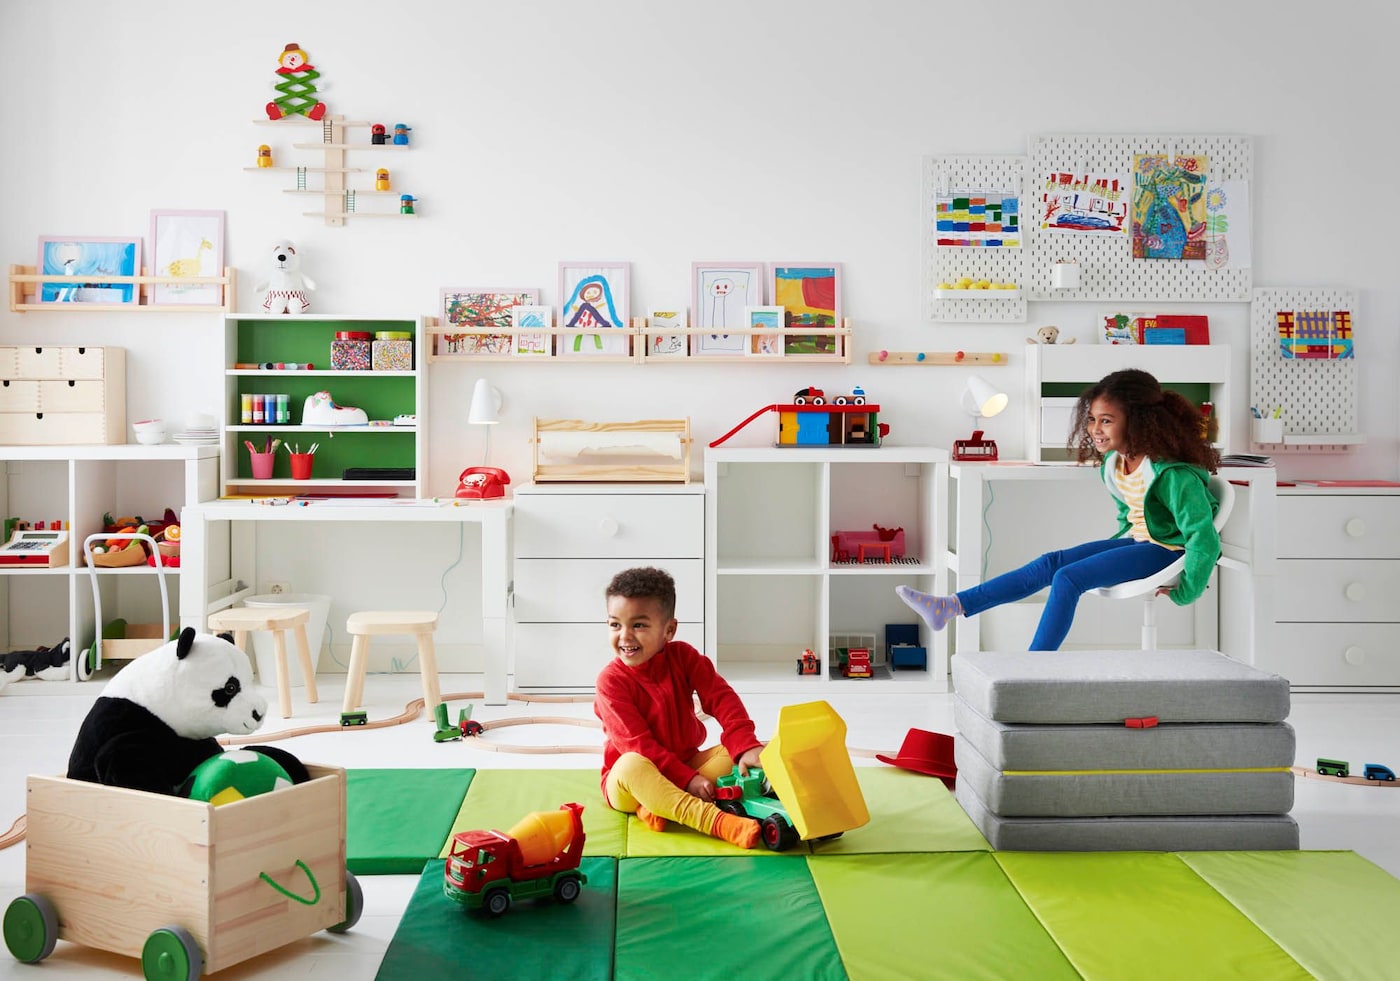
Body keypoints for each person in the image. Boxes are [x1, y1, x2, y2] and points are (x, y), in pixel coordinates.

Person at [898, 368, 1221, 651]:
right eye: (1092, 419)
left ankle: (1035, 666)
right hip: (1140, 542)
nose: (1095, 428)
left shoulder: (1173, 475)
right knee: (1050, 563)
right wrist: (1112, 550)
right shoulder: (1114, 463)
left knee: (1068, 578)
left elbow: (1202, 537)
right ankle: (951, 606)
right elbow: (1130, 513)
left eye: (1107, 421)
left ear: (1137, 421)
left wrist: (1186, 592)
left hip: (1167, 550)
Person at [594, 566, 765, 849]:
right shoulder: (610, 682)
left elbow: (721, 697)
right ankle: (713, 821)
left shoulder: (684, 657)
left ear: (669, 630)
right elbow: (640, 747)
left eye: (638, 625)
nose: (624, 636)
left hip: (685, 764)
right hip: (630, 783)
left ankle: (661, 805)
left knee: (743, 754)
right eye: (615, 624)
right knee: (631, 764)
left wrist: (745, 744)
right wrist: (688, 781)